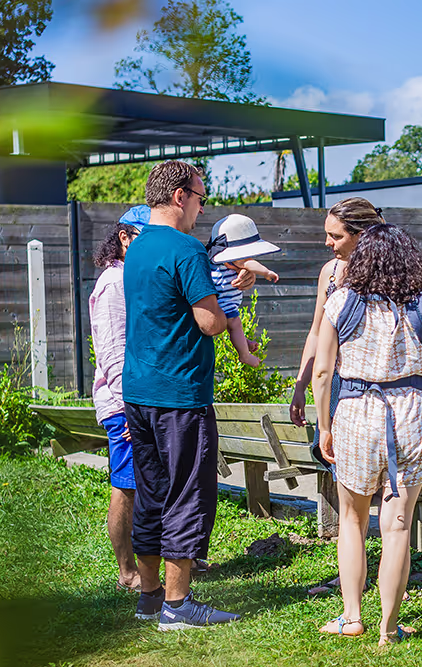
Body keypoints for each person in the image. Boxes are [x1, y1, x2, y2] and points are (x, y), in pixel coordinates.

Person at [122, 160, 252, 630]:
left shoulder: (135, 249)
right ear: (179, 196)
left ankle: (151, 597)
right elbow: (210, 323)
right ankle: (179, 607)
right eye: (200, 197)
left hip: (137, 390)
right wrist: (232, 294)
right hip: (180, 393)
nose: (201, 207)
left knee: (153, 493)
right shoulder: (186, 249)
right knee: (187, 495)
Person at [312, 223, 422, 645]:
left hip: (356, 412)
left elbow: (323, 371)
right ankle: (388, 629)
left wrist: (324, 425)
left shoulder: (341, 303)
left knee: (352, 521)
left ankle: (351, 615)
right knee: (397, 526)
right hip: (411, 414)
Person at [289, 197, 385, 427]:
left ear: (362, 236)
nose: (327, 242)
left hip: (378, 388)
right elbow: (315, 333)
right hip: (336, 387)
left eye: (336, 236)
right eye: (327, 234)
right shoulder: (329, 272)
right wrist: (300, 386)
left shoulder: (388, 275)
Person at [89, 214, 142, 595]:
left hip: (139, 401)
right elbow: (111, 352)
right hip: (122, 405)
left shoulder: (133, 277)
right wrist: (128, 409)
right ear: (123, 237)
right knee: (126, 485)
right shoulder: (113, 283)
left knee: (141, 484)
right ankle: (127, 572)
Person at [206, 213, 280, 367]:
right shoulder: (237, 259)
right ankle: (245, 355)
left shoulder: (213, 259)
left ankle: (244, 343)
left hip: (217, 301)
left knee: (232, 326)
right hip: (226, 301)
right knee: (235, 324)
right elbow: (250, 264)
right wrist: (266, 272)